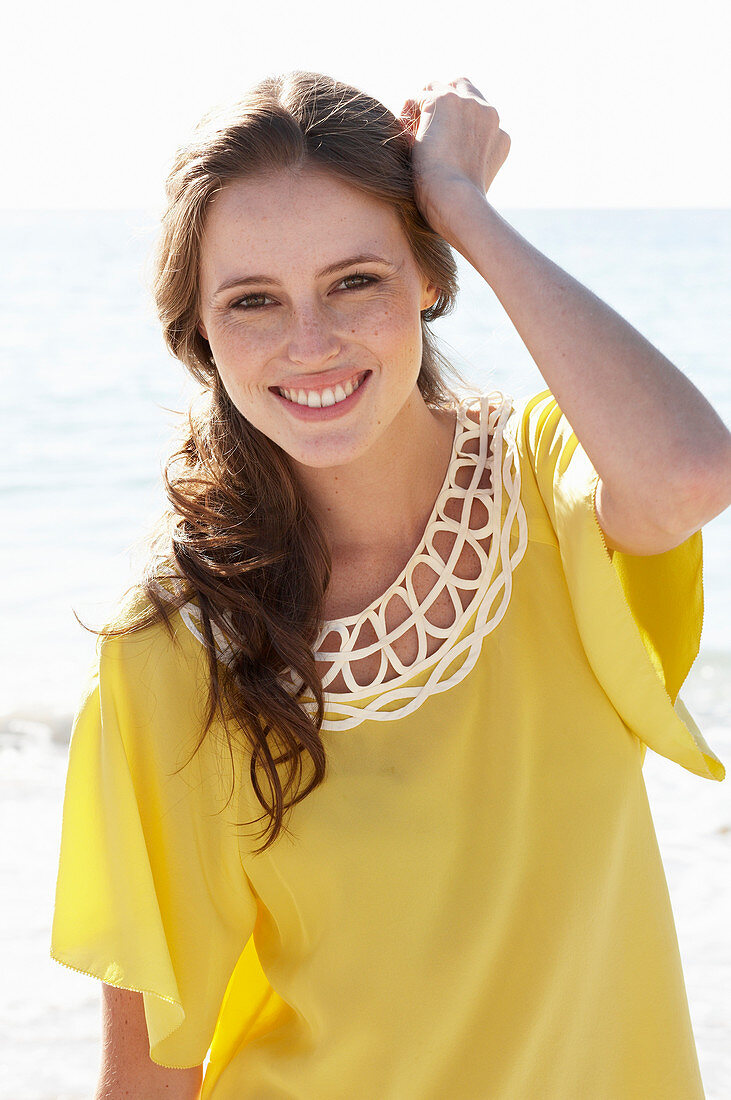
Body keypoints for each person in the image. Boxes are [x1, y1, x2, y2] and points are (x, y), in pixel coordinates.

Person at [51, 71, 730, 1099]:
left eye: (355, 279)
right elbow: (150, 1074)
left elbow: (689, 472)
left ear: (427, 279)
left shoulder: (550, 488)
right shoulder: (173, 650)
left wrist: (458, 202)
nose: (308, 340)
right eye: (251, 300)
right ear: (199, 333)